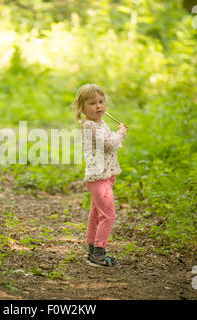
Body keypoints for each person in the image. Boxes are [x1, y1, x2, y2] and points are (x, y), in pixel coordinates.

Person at [71, 84, 129, 267]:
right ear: (82, 108)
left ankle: (92, 251)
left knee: (96, 215)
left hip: (105, 176)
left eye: (101, 102)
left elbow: (112, 143)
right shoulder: (90, 127)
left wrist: (117, 135)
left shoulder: (100, 124)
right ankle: (99, 253)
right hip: (99, 178)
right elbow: (109, 144)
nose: (98, 107)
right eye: (92, 103)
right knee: (109, 216)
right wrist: (121, 133)